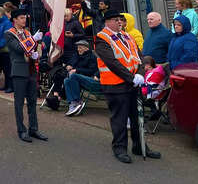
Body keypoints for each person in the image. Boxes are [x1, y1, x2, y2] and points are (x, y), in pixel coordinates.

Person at [95, 10, 160, 163]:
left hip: (133, 84)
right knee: (120, 119)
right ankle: (119, 148)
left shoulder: (128, 36)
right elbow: (112, 63)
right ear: (107, 22)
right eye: (116, 19)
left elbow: (140, 57)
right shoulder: (101, 38)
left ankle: (140, 146)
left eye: (121, 20)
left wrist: (140, 74)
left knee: (137, 118)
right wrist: (132, 78)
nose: (120, 22)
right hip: (115, 86)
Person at [6, 9, 45, 142]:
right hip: (19, 71)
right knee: (19, 102)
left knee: (32, 102)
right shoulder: (9, 34)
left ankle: (33, 129)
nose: (24, 20)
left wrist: (36, 52)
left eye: (24, 17)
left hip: (31, 69)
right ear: (15, 20)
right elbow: (18, 48)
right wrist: (33, 39)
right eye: (21, 18)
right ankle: (21, 130)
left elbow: (34, 48)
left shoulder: (27, 32)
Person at [63, 40, 100, 116]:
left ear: (86, 48)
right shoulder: (76, 55)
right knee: (67, 80)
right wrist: (68, 66)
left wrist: (76, 70)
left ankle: (77, 101)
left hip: (91, 79)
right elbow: (70, 63)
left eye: (80, 48)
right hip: (78, 79)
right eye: (78, 48)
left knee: (73, 76)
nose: (78, 49)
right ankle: (73, 103)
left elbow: (91, 71)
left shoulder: (92, 57)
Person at [0, 6, 13, 93]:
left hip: (6, 49)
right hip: (1, 49)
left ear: (0, 14)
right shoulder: (0, 22)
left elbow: (6, 36)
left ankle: (10, 86)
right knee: (5, 69)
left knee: (8, 69)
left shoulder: (7, 23)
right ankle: (6, 85)